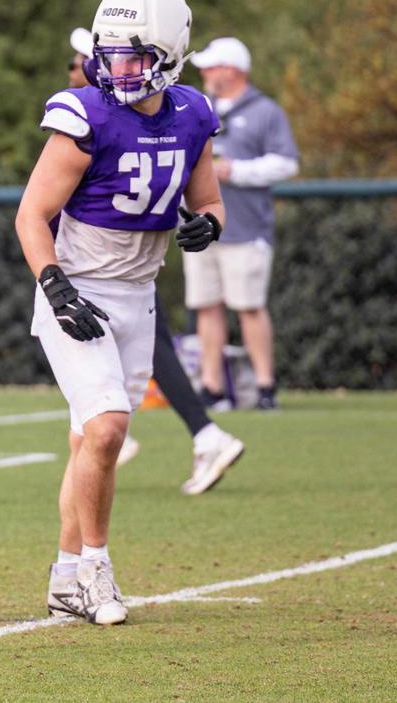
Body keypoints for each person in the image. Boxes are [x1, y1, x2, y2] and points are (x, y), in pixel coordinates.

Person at [16, 0, 226, 625]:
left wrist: (208, 225)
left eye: (134, 56)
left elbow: (211, 200)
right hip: (78, 288)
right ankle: (97, 571)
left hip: (140, 295)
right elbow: (31, 214)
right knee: (108, 427)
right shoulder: (85, 115)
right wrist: (54, 284)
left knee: (89, 441)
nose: (117, 68)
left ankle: (61, 577)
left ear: (170, 54)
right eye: (110, 54)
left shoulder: (192, 114)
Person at [64, 26, 245, 494]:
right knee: (134, 351)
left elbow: (187, 185)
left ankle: (197, 433)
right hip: (92, 260)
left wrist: (208, 217)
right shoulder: (90, 112)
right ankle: (197, 433)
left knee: (146, 350)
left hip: (119, 265)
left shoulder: (141, 109)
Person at [186, 37, 299, 410]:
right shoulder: (200, 109)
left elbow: (286, 163)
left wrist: (236, 171)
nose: (203, 72)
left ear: (230, 70)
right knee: (207, 306)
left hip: (247, 228)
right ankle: (212, 387)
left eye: (211, 66)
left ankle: (266, 387)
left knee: (249, 306)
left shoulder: (266, 111)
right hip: (203, 228)